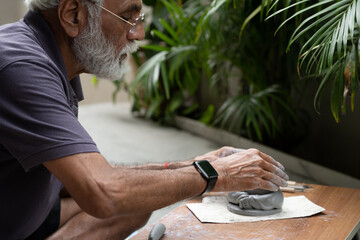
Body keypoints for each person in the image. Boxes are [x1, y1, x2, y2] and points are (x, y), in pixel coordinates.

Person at [0, 0, 289, 239]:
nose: (138, 34)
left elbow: (73, 176)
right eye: (129, 17)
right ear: (73, 15)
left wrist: (192, 165)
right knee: (117, 197)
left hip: (25, 212)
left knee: (136, 202)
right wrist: (217, 174)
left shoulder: (46, 58)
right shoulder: (21, 67)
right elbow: (101, 191)